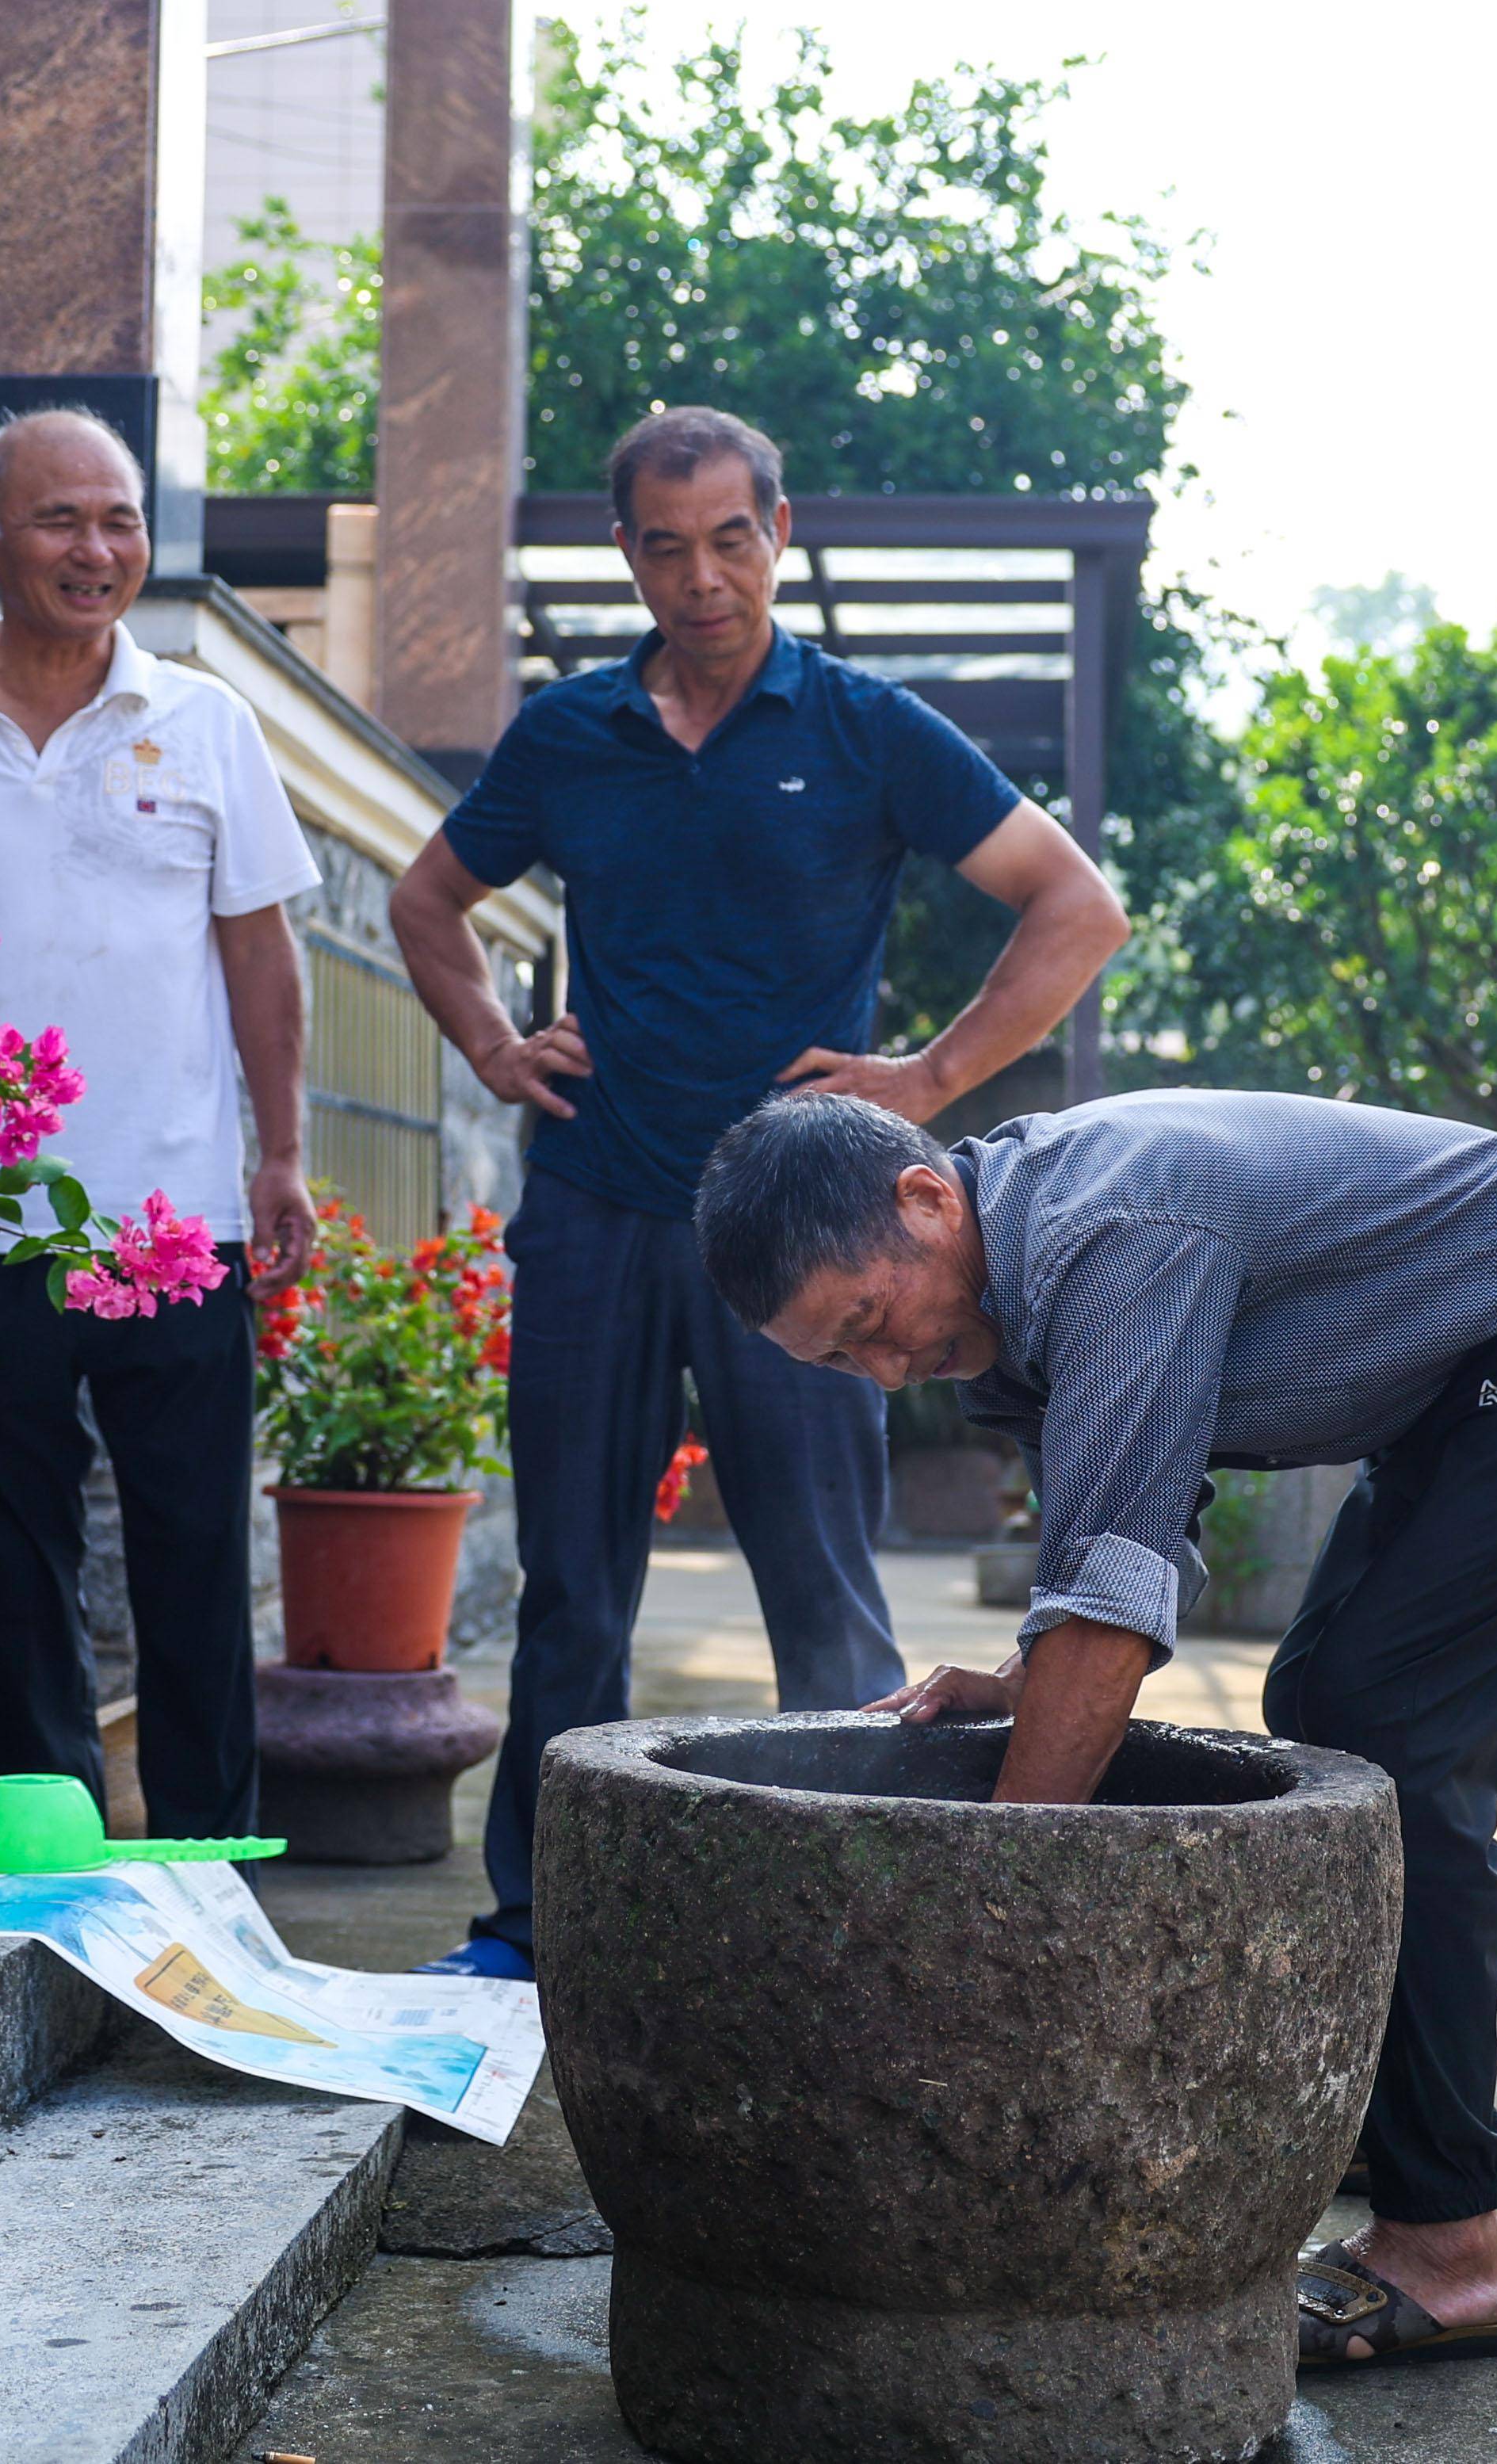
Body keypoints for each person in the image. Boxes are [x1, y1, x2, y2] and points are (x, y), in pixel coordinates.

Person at [693, 1084, 1497, 2374]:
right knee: (1322, 1710)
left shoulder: (1109, 1233)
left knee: (1396, 1740)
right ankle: (1388, 2112)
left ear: (924, 1198)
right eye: (840, 1362)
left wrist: (989, 1927)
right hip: (1468, 1365)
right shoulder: (995, 1294)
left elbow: (1113, 1608)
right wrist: (1034, 1680)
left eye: (869, 1323)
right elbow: (1113, 1541)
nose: (889, 1369)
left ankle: (1448, 2240)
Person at [389, 407, 1129, 1979]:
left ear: (777, 535)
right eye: (667, 545)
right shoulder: (568, 734)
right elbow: (424, 898)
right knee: (571, 1596)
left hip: (805, 1241)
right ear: (627, 555)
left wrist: (923, 1081)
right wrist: (490, 1041)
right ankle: (536, 1926)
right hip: (595, 1202)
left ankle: (855, 1927)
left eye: (732, 537)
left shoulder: (863, 726)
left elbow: (1076, 906)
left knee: (821, 1596)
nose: (703, 575)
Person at [0, 411, 319, 1840]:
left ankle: (206, 1864)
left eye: (119, 519)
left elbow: (260, 953)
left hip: (171, 1214)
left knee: (190, 1555)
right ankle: (51, 1848)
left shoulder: (206, 720)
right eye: (59, 520)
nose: (95, 549)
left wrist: (278, 1149)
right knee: (4, 1554)